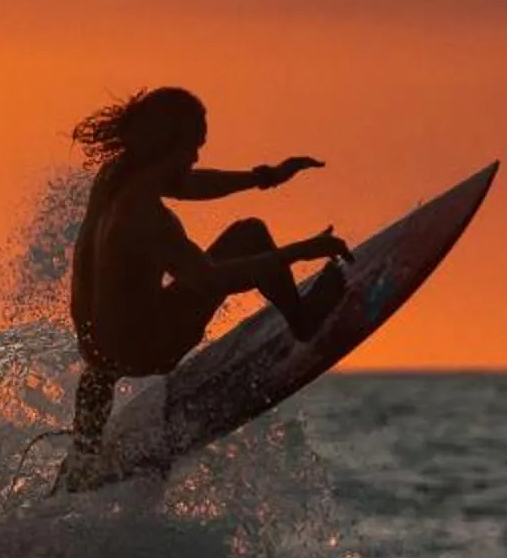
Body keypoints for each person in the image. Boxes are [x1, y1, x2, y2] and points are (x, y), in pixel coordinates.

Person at [68, 85, 349, 449]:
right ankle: (304, 320)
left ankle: (84, 447)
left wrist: (262, 178)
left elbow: (190, 185)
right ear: (168, 146)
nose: (196, 157)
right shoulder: (147, 218)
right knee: (249, 234)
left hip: (96, 349)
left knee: (102, 360)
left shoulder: (114, 178)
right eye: (193, 147)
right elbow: (211, 279)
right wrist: (299, 251)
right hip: (147, 350)